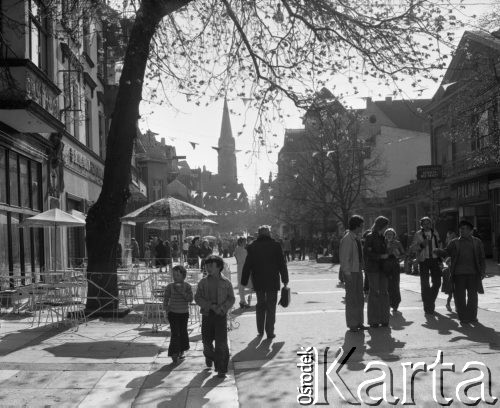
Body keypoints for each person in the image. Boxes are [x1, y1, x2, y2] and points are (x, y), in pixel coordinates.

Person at [241, 225, 289, 339]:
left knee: (260, 304)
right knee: (271, 306)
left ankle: (260, 330)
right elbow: (282, 264)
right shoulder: (276, 246)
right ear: (269, 233)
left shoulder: (252, 247)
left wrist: (244, 280)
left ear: (258, 234)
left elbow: (247, 265)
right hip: (272, 280)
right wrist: (285, 280)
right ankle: (270, 331)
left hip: (258, 281)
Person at [435, 219, 486, 325]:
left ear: (470, 231)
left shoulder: (477, 242)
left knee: (473, 297)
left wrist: (482, 271)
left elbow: (482, 258)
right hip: (458, 274)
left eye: (463, 229)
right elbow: (446, 251)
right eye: (460, 229)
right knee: (459, 297)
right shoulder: (454, 242)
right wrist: (438, 251)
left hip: (473, 274)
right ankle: (463, 317)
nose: (461, 231)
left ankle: (472, 316)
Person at [194, 255, 235, 378]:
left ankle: (221, 368)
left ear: (219, 267)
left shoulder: (226, 282)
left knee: (221, 342)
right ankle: (209, 355)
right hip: (207, 314)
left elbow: (231, 298)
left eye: (211, 265)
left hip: (221, 315)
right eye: (206, 265)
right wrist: (210, 306)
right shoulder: (203, 282)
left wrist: (222, 308)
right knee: (207, 341)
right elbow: (197, 297)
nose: (208, 268)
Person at [339, 215, 367, 332]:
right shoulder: (347, 239)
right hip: (351, 272)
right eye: (361, 225)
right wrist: (347, 274)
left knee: (359, 297)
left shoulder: (356, 238)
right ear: (357, 225)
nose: (362, 228)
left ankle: (359, 322)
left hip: (357, 270)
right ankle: (352, 323)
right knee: (351, 299)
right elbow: (344, 258)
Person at [410, 217, 442, 315]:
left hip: (435, 259)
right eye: (425, 223)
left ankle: (429, 301)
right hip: (424, 260)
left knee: (437, 283)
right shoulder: (418, 234)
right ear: (422, 225)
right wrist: (422, 245)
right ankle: (428, 307)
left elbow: (440, 244)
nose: (427, 225)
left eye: (428, 223)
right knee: (425, 284)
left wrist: (441, 256)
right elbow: (413, 248)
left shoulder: (435, 233)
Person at [364, 216, 390, 328]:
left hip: (383, 268)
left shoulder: (382, 237)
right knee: (374, 293)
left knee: (384, 292)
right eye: (386, 226)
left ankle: (384, 319)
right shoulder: (370, 236)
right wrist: (380, 256)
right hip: (373, 268)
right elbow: (366, 253)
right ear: (382, 226)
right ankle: (374, 320)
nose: (387, 228)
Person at [163, 265, 193, 363]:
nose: (175, 277)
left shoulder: (187, 286)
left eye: (178, 275)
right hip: (173, 313)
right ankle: (174, 353)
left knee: (183, 331)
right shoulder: (170, 286)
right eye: (174, 275)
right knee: (175, 333)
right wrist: (166, 309)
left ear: (183, 276)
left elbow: (190, 299)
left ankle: (182, 350)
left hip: (184, 313)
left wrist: (182, 292)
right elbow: (166, 298)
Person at [384, 228, 405, 313]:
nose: (389, 236)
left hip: (395, 265)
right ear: (385, 235)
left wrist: (398, 257)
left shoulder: (397, 243)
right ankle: (387, 303)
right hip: (385, 265)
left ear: (394, 235)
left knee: (395, 285)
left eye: (391, 234)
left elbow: (403, 254)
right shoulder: (383, 243)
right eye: (387, 234)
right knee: (386, 285)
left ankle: (395, 304)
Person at [235, 237, 252, 308]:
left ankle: (243, 301)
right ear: (241, 242)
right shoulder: (242, 250)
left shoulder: (237, 249)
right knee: (245, 284)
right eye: (245, 242)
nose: (246, 243)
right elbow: (246, 260)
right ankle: (244, 301)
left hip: (240, 267)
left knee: (242, 285)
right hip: (244, 268)